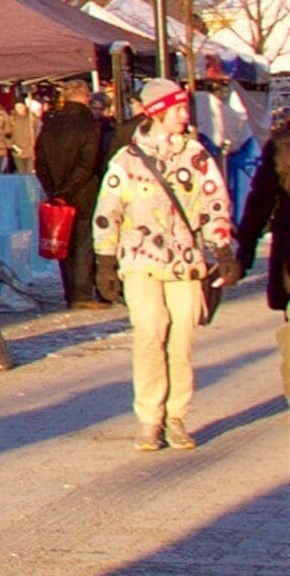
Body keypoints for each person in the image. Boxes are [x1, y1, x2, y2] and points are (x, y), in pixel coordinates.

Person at [94, 78, 234, 449]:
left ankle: (176, 417)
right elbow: (107, 211)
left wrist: (223, 249)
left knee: (181, 340)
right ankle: (149, 418)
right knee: (150, 332)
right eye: (178, 108)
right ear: (158, 112)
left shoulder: (196, 156)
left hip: (185, 262)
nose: (185, 115)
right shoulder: (126, 160)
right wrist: (105, 260)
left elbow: (215, 202)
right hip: (140, 260)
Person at [228, 92, 290, 408]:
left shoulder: (281, 144)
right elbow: (260, 202)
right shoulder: (281, 146)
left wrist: (245, 253)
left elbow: (259, 203)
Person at [34, 80, 116, 307]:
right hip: (83, 191)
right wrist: (68, 191)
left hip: (56, 190)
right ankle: (82, 294)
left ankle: (70, 292)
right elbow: (87, 163)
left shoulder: (50, 123)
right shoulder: (89, 123)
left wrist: (53, 190)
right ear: (85, 97)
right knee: (83, 242)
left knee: (63, 241)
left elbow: (39, 160)